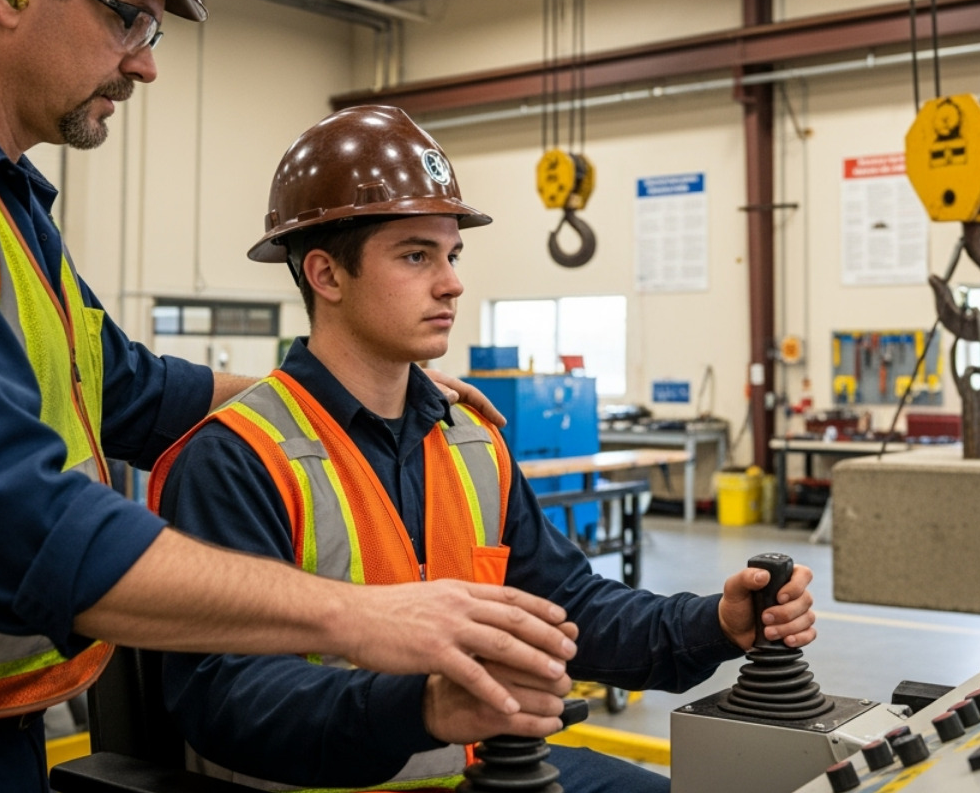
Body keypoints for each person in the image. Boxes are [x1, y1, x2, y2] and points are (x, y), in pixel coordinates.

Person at [0, 0, 576, 793]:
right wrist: (358, 612)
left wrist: (364, 394)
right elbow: (13, 524)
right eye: (129, 17)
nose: (146, 63)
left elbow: (128, 387)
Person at [149, 105, 819, 793]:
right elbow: (229, 698)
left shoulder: (471, 438)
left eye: (452, 254)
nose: (452, 282)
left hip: (484, 768)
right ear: (326, 275)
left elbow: (566, 608)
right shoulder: (236, 458)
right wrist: (421, 709)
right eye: (416, 255)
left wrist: (713, 622)